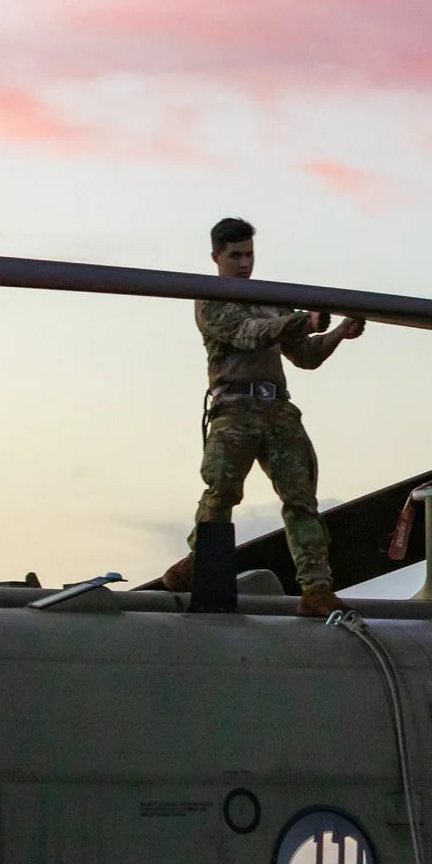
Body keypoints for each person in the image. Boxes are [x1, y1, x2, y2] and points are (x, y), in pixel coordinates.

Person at [160, 217, 365, 616]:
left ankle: (316, 589)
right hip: (234, 409)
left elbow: (304, 355)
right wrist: (300, 321)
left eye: (249, 254)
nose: (243, 263)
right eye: (234, 255)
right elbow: (249, 333)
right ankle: (200, 559)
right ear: (216, 257)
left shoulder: (272, 300)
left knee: (301, 498)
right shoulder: (210, 299)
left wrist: (337, 332)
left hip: (278, 408)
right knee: (222, 491)